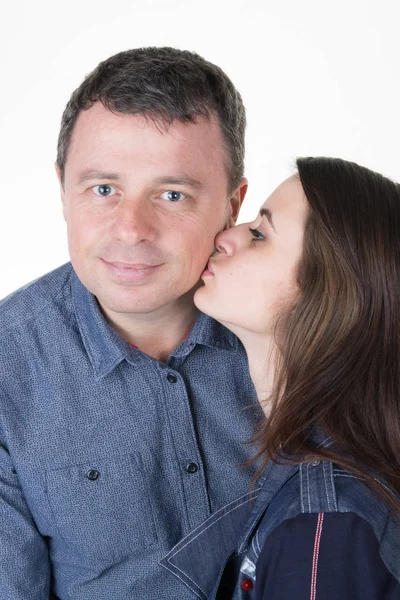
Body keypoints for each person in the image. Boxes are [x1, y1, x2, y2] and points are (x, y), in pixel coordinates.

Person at [0, 47, 261, 599]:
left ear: (232, 205)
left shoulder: (300, 334)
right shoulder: (8, 369)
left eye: (172, 194)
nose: (131, 229)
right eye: (103, 190)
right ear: (63, 191)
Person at [161, 157, 400, 599]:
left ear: (326, 293)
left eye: (258, 235)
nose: (226, 237)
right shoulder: (316, 481)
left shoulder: (324, 524)